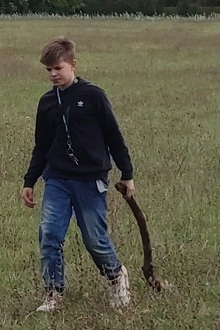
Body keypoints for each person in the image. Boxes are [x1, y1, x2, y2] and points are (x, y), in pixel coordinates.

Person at [19, 37, 136, 313]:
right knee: (49, 234)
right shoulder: (47, 102)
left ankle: (116, 276)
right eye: (48, 70)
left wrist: (127, 173)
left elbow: (114, 136)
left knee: (94, 239)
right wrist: (29, 181)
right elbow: (41, 145)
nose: (53, 74)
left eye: (58, 68)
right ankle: (53, 293)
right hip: (57, 178)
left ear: (73, 64)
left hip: (90, 179)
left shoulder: (93, 96)